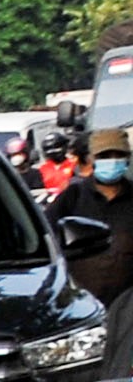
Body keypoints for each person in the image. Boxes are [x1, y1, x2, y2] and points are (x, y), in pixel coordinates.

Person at [55, 129, 132, 308]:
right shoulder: (73, 197)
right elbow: (49, 236)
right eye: (105, 155)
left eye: (118, 155)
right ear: (91, 159)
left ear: (128, 158)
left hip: (126, 309)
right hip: (81, 305)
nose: (112, 161)